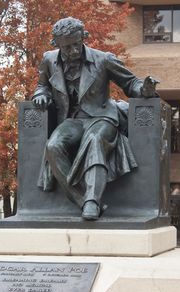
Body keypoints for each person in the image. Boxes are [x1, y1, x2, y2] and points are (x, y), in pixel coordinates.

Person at [33, 17, 158, 220]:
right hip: (72, 120)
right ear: (56, 44)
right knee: (53, 146)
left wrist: (144, 89)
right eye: (67, 47)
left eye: (76, 44)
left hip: (102, 117)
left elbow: (131, 83)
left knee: (94, 140)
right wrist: (40, 95)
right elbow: (42, 85)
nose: (73, 51)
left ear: (84, 37)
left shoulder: (104, 59)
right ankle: (82, 199)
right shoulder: (49, 60)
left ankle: (93, 201)